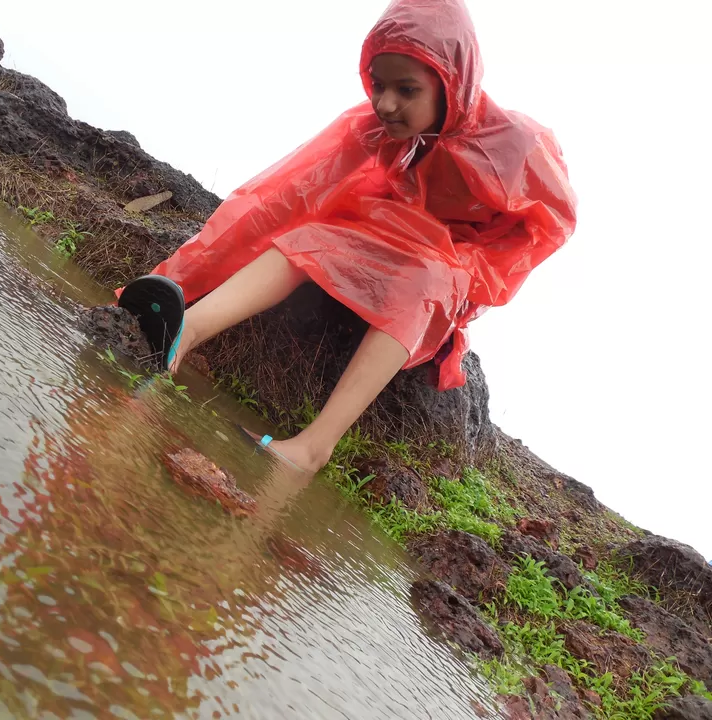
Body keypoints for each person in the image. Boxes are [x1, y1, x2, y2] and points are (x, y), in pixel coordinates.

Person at [116, 0, 577, 473]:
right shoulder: (375, 127)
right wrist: (180, 274)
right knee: (310, 234)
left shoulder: (517, 143)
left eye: (407, 89)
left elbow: (552, 223)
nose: (386, 103)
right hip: (385, 240)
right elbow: (284, 195)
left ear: (452, 84)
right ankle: (183, 332)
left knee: (429, 276)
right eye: (378, 85)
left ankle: (314, 446)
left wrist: (473, 270)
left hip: (446, 273)